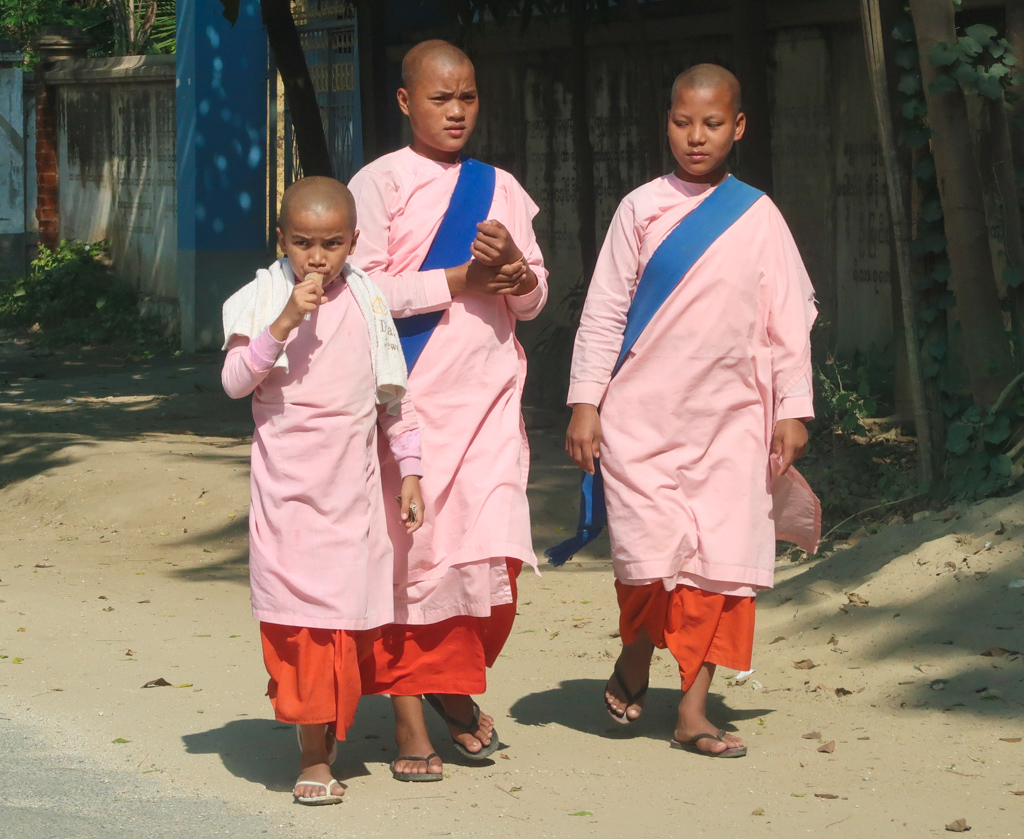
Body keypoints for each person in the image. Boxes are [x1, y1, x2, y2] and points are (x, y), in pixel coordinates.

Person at [562, 64, 820, 757]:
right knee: (647, 559)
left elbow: (788, 319)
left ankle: (693, 711)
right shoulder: (640, 209)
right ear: (666, 123)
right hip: (639, 417)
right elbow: (604, 311)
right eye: (682, 122)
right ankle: (638, 651)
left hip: (733, 420)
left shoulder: (759, 215)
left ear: (739, 127)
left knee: (718, 565)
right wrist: (586, 402)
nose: (696, 137)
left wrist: (793, 409)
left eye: (712, 124)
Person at [347, 39, 548, 781]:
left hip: (489, 405)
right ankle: (411, 721)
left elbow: (535, 298)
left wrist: (517, 273)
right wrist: (458, 280)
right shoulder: (379, 183)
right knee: (416, 563)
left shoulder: (501, 187)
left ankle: (448, 684)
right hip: (411, 406)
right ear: (406, 102)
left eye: (467, 97)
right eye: (441, 98)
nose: (457, 111)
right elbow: (360, 293)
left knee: (493, 556)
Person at [220, 176, 424, 802]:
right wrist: (284, 321)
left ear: (353, 242)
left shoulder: (368, 301)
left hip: (352, 494)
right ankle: (313, 757)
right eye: (303, 243)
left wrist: (410, 471)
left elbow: (394, 399)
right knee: (298, 628)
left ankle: (327, 731)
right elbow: (234, 381)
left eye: (331, 245)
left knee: (343, 628)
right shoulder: (259, 298)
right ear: (281, 239)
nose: (316, 259)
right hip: (285, 496)